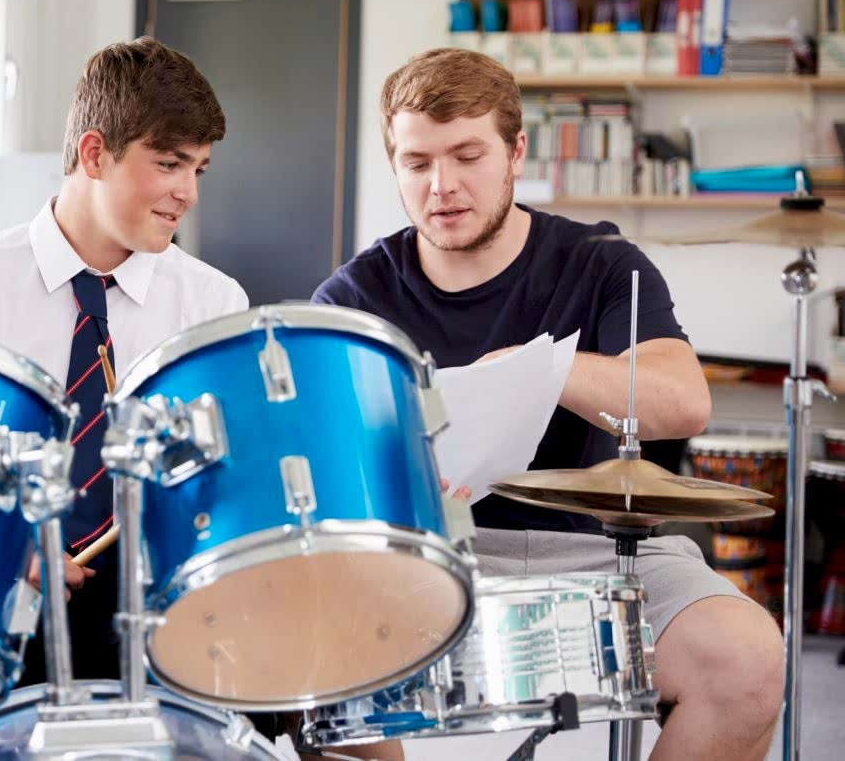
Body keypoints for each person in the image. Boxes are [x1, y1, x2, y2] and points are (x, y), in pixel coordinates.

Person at [308, 48, 783, 761]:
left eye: (468, 155)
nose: (442, 185)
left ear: (515, 152)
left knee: (746, 659)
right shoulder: (352, 297)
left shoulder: (602, 264)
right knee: (313, 660)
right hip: (420, 559)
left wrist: (538, 370)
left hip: (599, 553)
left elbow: (683, 403)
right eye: (417, 162)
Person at [0, 36, 247, 751]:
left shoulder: (213, 302)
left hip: (150, 615)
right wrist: (1, 545)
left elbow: (222, 481)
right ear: (94, 153)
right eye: (169, 163)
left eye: (198, 168)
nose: (189, 192)